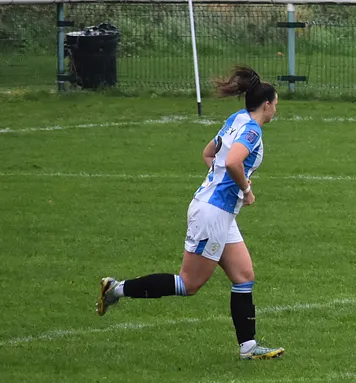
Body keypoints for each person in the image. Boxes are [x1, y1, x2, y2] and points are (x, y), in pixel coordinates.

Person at [97, 66, 284, 360]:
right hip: (212, 213)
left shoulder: (237, 119)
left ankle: (248, 348)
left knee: (244, 276)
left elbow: (209, 154)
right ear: (267, 104)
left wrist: (220, 181)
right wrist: (246, 190)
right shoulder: (252, 131)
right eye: (276, 104)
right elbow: (234, 162)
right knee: (188, 283)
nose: (276, 110)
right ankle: (116, 289)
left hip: (220, 212)